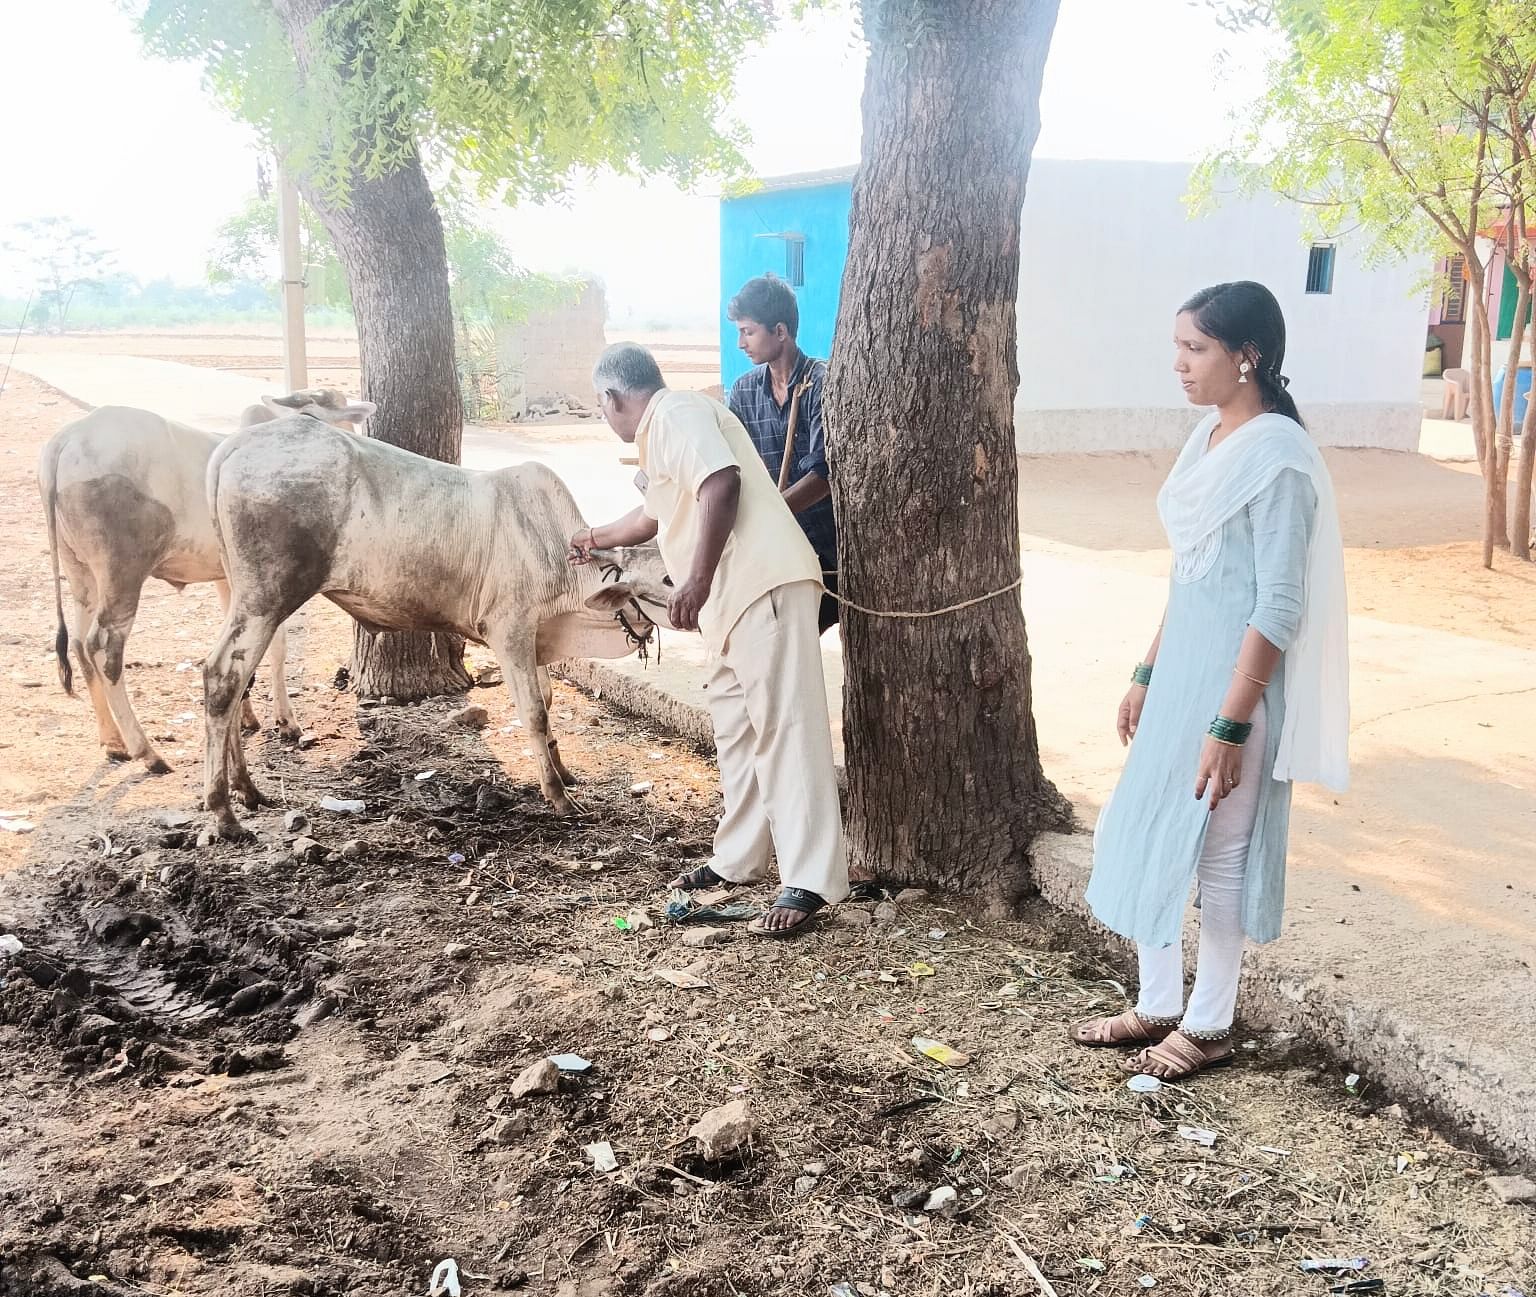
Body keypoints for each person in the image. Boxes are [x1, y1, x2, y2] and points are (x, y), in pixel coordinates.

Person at [1072, 281, 1350, 1081]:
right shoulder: (1208, 441)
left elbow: (1280, 604)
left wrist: (1230, 724)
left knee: (1220, 858)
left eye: (1195, 349)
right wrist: (1145, 671)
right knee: (1142, 830)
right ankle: (1156, 1001)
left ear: (1247, 355)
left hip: (1238, 694)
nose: (1179, 365)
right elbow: (1190, 575)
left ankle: (1210, 1021)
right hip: (1180, 680)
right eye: (1179, 348)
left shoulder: (1281, 459)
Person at [569, 342, 850, 936]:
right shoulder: (663, 433)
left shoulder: (674, 415)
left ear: (613, 398)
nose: (604, 415)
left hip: (761, 584)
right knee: (737, 728)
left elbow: (721, 484)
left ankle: (810, 879)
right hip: (731, 602)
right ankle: (741, 857)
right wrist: (592, 537)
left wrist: (693, 580)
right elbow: (650, 517)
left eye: (602, 407)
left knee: (784, 727)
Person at [725, 274, 840, 634]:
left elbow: (823, 476)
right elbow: (735, 465)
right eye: (739, 332)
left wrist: (768, 515)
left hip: (828, 546)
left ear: (780, 331)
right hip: (772, 545)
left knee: (794, 636)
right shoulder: (744, 391)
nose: (741, 343)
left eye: (748, 331)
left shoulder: (822, 381)